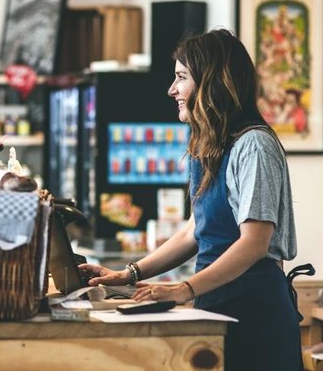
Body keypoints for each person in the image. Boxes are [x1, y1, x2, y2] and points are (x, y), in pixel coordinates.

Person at [80, 29, 301, 371]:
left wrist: (184, 288)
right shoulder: (208, 148)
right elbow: (193, 232)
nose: (172, 90)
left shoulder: (254, 146)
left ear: (213, 82)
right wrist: (128, 274)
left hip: (255, 312)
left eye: (181, 78)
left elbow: (255, 242)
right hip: (215, 304)